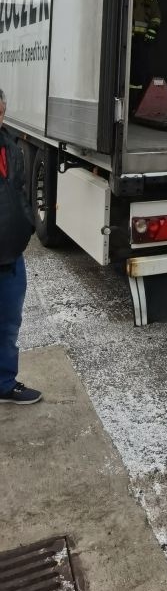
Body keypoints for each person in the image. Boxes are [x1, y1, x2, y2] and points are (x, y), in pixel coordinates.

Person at [0, 88, 40, 405]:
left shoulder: (11, 145)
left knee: (9, 325)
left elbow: (19, 190)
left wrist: (26, 223)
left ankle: (4, 383)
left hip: (12, 257)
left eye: (1, 112)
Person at [130, 0, 162, 114]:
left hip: (142, 39)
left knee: (139, 70)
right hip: (125, 39)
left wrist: (152, 30)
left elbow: (156, 15)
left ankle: (135, 104)